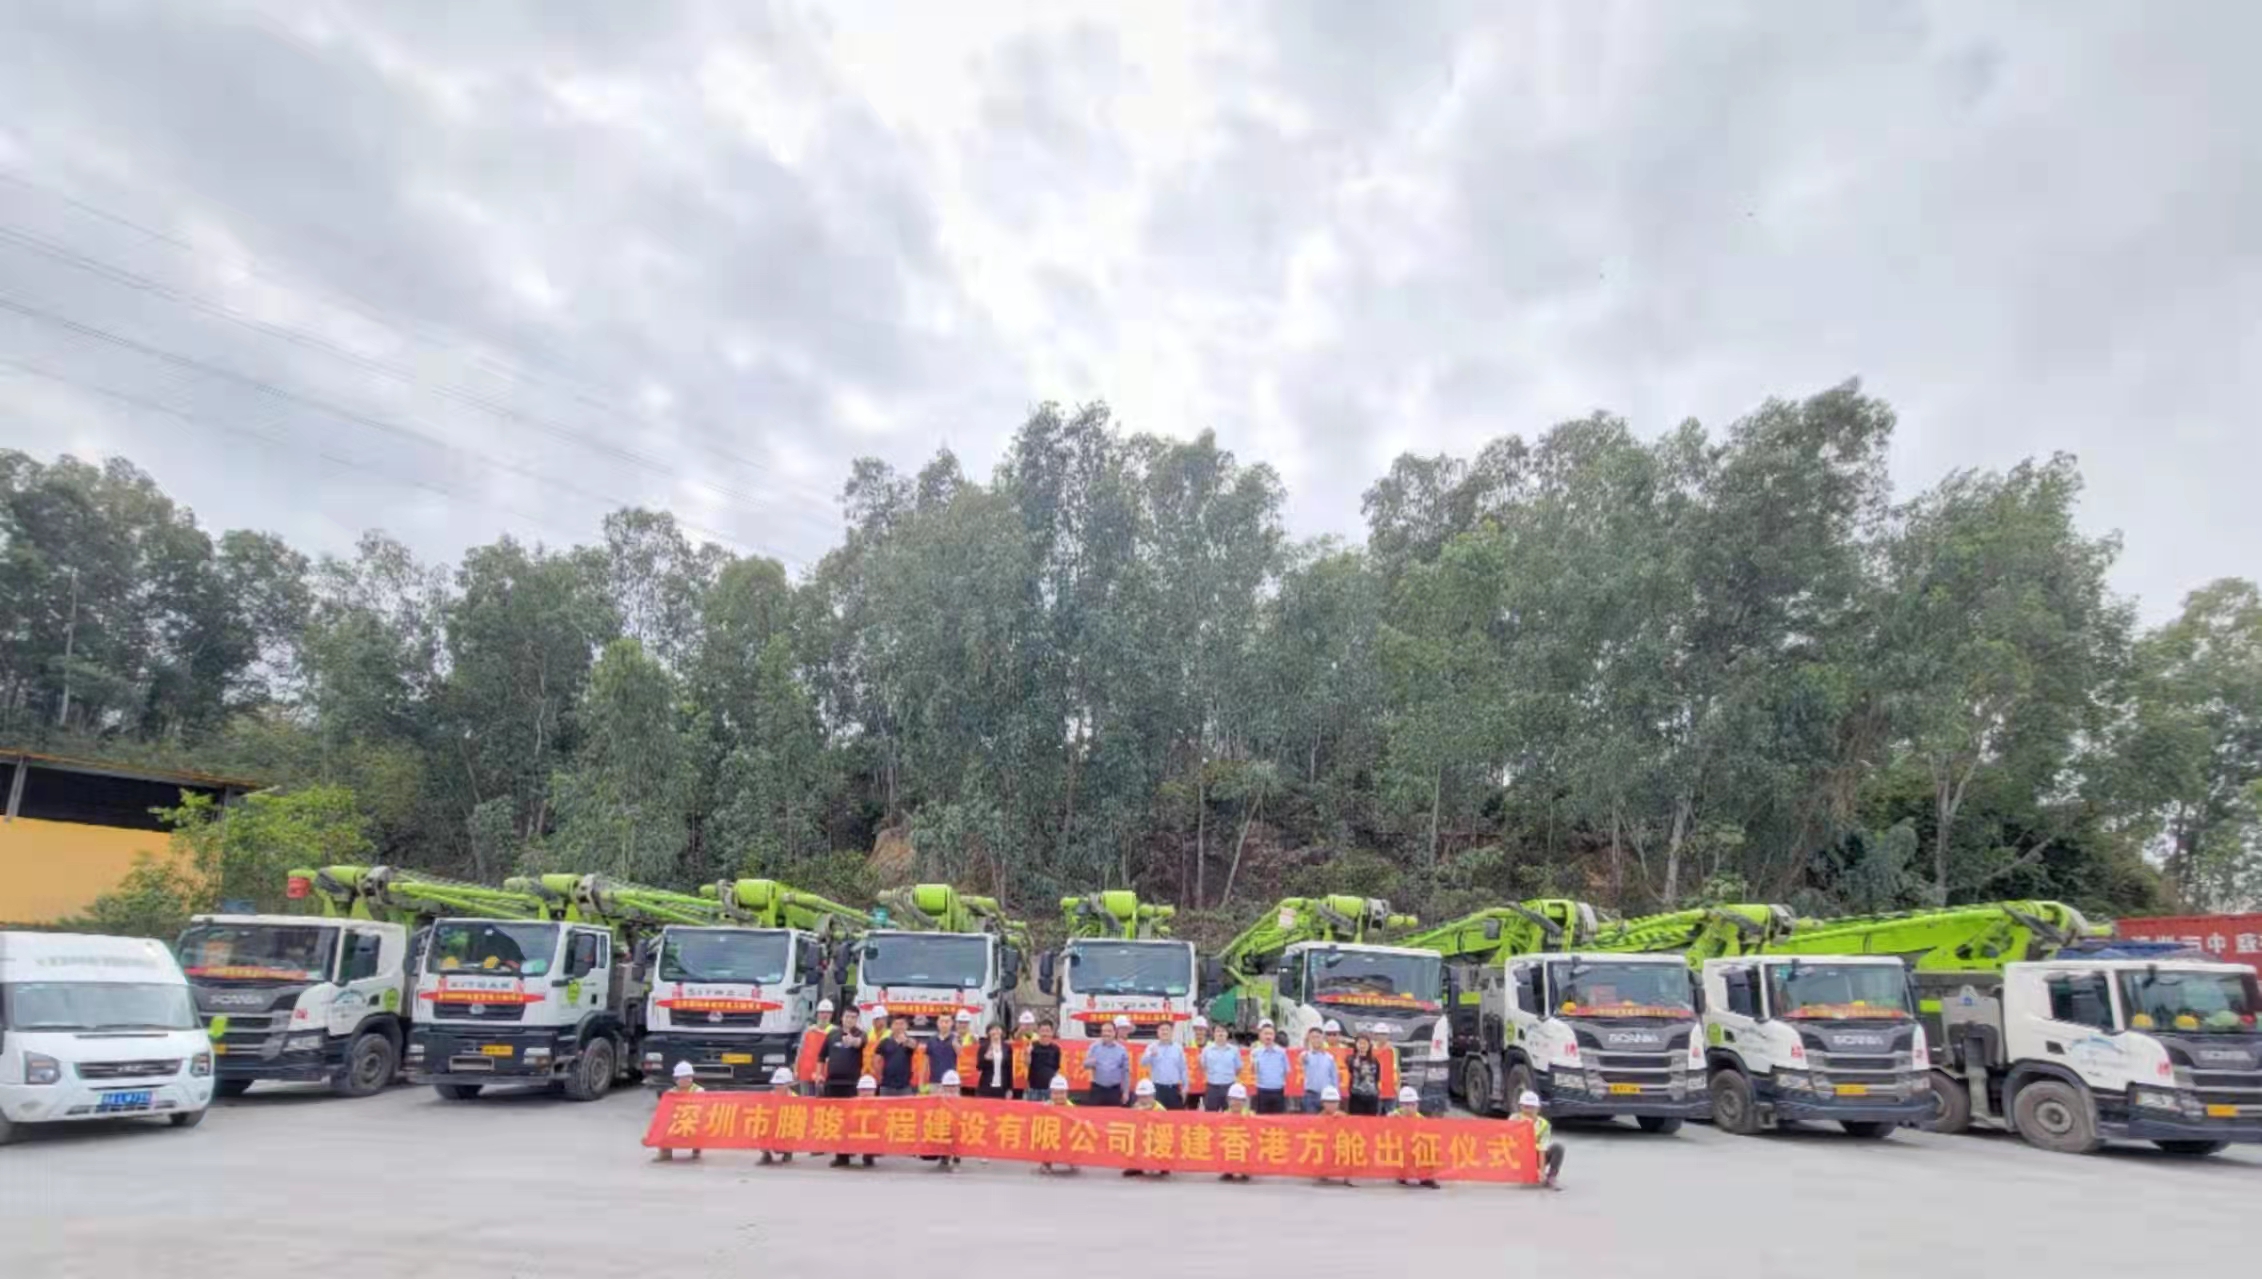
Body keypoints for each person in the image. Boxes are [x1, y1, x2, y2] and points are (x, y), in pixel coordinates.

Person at [654, 1061, 704, 1163]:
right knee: (664, 1126)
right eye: (683, 1077)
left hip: (692, 1119)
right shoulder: (671, 1093)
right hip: (677, 1120)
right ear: (676, 1079)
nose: (686, 1080)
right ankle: (665, 1152)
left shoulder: (698, 1091)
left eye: (688, 1077)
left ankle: (696, 1148)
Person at [1390, 1085, 1438, 1188]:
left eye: (1413, 1104)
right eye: (1407, 1104)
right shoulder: (1394, 1117)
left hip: (1416, 1146)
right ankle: (1402, 1175)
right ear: (1401, 1105)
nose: (1410, 1108)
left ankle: (1427, 1177)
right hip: (1400, 1147)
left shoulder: (1421, 1119)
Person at [1515, 1091, 1562, 1190]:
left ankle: (1551, 1178)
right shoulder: (1514, 1119)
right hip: (1518, 1157)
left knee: (1557, 1148)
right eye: (1526, 1107)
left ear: (1538, 1108)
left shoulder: (1544, 1125)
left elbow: (1542, 1149)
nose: (1528, 1110)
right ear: (1520, 1107)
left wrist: (1541, 1171)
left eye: (1532, 1107)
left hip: (1535, 1157)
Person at [832, 1076, 881, 1168]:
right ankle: (843, 1157)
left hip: (870, 1133)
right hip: (854, 1130)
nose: (866, 1092)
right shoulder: (851, 1103)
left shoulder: (880, 1105)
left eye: (869, 1090)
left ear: (874, 1091)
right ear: (858, 1091)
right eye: (863, 1089)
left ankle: (869, 1156)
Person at [1123, 1078, 1168, 1177]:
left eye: (1146, 1097)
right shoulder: (1136, 1107)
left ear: (1153, 1096)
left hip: (1155, 1137)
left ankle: (1163, 1165)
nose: (1143, 1100)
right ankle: (1135, 1166)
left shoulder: (1160, 1109)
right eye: (1141, 1097)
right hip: (1142, 1137)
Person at [820, 1007, 868, 1099]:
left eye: (853, 1017)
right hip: (832, 1082)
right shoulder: (832, 1034)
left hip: (852, 1083)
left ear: (857, 1020)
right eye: (847, 1016)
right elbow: (821, 1056)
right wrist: (819, 1075)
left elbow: (859, 1042)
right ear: (842, 1017)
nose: (849, 1020)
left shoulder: (861, 1034)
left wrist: (852, 1041)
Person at [1142, 1018, 1188, 1110]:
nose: (1164, 1032)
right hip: (1158, 1088)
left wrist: (1185, 1087)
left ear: (1171, 1032)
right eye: (1162, 1030)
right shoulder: (1152, 1046)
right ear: (1158, 1032)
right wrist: (1150, 1054)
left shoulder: (1178, 1048)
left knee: (1175, 1117)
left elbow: (1183, 1069)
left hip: (1173, 1089)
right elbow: (1143, 1062)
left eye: (1167, 1029)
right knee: (1158, 1117)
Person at [1037, 1074, 1078, 1175]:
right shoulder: (1046, 1106)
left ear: (1066, 1093)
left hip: (1066, 1135)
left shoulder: (1072, 1107)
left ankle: (1072, 1160)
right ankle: (1046, 1163)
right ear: (1051, 1093)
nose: (1058, 1096)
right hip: (1051, 1134)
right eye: (1055, 1093)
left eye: (1061, 1093)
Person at [1086, 1017, 1131, 1107]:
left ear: (1115, 1033)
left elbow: (1125, 1072)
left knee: (1113, 1117)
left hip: (1114, 1089)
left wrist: (1126, 1092)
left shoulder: (1121, 1050)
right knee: (1094, 1116)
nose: (1106, 1033)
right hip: (1098, 1089)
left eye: (1109, 1031)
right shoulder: (1094, 1047)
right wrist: (1090, 1062)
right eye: (1104, 1031)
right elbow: (1085, 1065)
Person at [1199, 1022, 1242, 1112]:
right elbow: (1203, 1066)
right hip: (1212, 1088)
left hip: (1229, 1088)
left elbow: (1238, 1068)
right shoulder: (1207, 1050)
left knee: (1229, 1116)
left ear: (1227, 1034)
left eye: (1223, 1031)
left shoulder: (1234, 1050)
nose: (1220, 1034)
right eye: (1218, 1031)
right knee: (1210, 1116)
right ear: (1214, 1034)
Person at [759, 1067, 798, 1165]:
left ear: (789, 1084)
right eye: (776, 1084)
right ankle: (766, 1154)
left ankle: (788, 1152)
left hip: (787, 1127)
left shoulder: (795, 1099)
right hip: (772, 1126)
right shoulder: (769, 1097)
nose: (777, 1087)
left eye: (781, 1084)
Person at [1250, 1020, 1290, 1114]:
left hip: (1278, 1091)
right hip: (1262, 1090)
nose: (1268, 1036)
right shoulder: (1255, 1052)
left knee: (1277, 1121)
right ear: (1260, 1035)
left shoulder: (1282, 1052)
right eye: (1265, 1034)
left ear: (1274, 1036)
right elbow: (1253, 1072)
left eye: (1271, 1034)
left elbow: (1286, 1071)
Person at [1314, 1084, 1350, 1185]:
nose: (1331, 1105)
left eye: (1334, 1102)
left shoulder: (1344, 1116)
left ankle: (1347, 1173)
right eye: (1328, 1102)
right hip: (1325, 1144)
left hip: (1340, 1143)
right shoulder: (1318, 1118)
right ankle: (1322, 1171)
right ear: (1323, 1103)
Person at [1219, 1082, 1253, 1182]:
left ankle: (1246, 1171)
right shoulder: (1223, 1116)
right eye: (1233, 1099)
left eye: (1239, 1100)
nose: (1236, 1102)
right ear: (1228, 1100)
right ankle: (1227, 1170)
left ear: (1244, 1101)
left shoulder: (1251, 1116)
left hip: (1244, 1145)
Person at [1300, 1027, 1339, 1114]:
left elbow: (1334, 1079)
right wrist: (1305, 1042)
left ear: (1323, 1038)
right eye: (1313, 1037)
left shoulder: (1329, 1058)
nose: (1316, 1040)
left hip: (1327, 1096)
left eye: (1318, 1037)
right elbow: (1303, 1058)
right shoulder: (1306, 1055)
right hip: (1311, 1095)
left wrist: (1336, 1097)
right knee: (1311, 1123)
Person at [875, 1017, 917, 1097]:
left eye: (901, 1024)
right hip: (886, 1086)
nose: (899, 1027)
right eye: (896, 1024)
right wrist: (880, 1077)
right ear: (891, 1026)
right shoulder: (885, 1042)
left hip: (905, 1086)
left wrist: (905, 1040)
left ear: (906, 1026)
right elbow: (876, 1061)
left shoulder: (910, 1041)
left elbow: (913, 1045)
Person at [920, 1016, 962, 1094]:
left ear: (951, 1023)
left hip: (952, 1084)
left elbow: (961, 1055)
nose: (944, 1024)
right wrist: (921, 1081)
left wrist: (956, 1043)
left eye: (947, 1022)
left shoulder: (956, 1039)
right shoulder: (931, 1040)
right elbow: (925, 1062)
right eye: (941, 1022)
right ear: (937, 1023)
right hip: (935, 1082)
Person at [1026, 1019, 1062, 1103]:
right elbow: (1027, 1064)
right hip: (1034, 1088)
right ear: (1038, 1032)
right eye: (1042, 1031)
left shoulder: (1056, 1049)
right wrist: (1027, 1053)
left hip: (1050, 1088)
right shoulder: (1032, 1046)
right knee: (1033, 1113)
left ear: (1052, 1033)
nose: (1045, 1034)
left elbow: (1056, 1068)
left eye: (1047, 1031)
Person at [1346, 1035, 1383, 1116]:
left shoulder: (1374, 1060)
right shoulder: (1351, 1058)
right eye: (1360, 1043)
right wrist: (1356, 1062)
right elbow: (1349, 1070)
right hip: (1356, 1095)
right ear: (1356, 1045)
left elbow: (1377, 1077)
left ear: (1369, 1045)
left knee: (1371, 1122)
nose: (1362, 1046)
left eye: (1365, 1043)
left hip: (1371, 1096)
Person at [975, 1023, 1014, 1099]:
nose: (996, 1031)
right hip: (986, 1087)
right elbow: (979, 1067)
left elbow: (1009, 1069)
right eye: (993, 1029)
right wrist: (985, 1059)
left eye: (998, 1029)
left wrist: (1010, 1088)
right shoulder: (984, 1047)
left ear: (1002, 1032)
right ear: (988, 1032)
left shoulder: (1007, 1048)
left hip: (1002, 1087)